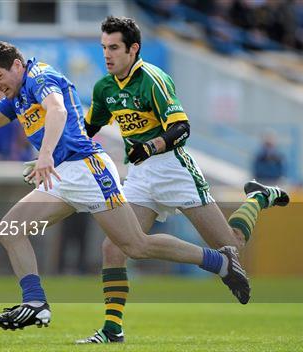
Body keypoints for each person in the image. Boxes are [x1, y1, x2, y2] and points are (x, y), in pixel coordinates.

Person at [0, 41, 253, 331]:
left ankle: (219, 261)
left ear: (17, 65)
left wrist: (44, 156)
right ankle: (35, 302)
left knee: (135, 245)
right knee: (10, 230)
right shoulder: (16, 97)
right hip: (62, 174)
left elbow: (57, 110)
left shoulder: (39, 75)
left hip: (86, 169)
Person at [73, 16, 290, 344]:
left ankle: (258, 197)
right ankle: (112, 329)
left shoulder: (153, 79)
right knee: (114, 247)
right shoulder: (104, 87)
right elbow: (86, 131)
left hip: (174, 169)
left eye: (114, 47)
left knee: (231, 243)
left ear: (133, 49)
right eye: (104, 47)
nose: (107, 54)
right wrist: (51, 155)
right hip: (141, 175)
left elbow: (181, 129)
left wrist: (150, 145)